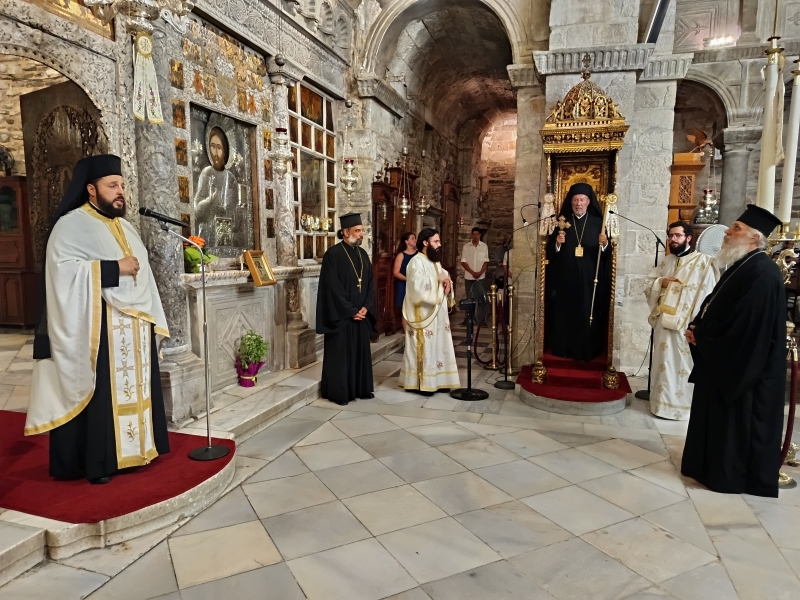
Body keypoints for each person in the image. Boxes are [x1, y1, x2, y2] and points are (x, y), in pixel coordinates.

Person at [26, 154, 171, 484]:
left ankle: (138, 450)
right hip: (99, 328)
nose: (120, 191)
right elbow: (62, 274)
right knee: (104, 395)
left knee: (135, 389)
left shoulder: (126, 226)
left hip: (134, 326)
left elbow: (143, 275)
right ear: (91, 189)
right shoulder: (71, 225)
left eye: (122, 185)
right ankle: (102, 461)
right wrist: (114, 268)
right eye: (112, 185)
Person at [681, 205, 786, 497]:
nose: (727, 231)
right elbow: (714, 304)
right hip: (721, 359)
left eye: (736, 228)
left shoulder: (762, 273)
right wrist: (697, 326)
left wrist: (703, 336)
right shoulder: (744, 264)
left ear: (754, 238)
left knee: (734, 428)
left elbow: (745, 329)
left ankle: (728, 477)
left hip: (743, 371)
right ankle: (705, 468)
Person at [644, 221, 718, 420]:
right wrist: (661, 282)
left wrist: (697, 324)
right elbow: (648, 284)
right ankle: (660, 405)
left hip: (686, 325)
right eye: (670, 236)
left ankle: (682, 408)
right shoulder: (666, 261)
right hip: (664, 323)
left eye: (677, 235)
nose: (673, 239)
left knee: (683, 365)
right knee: (663, 363)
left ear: (688, 238)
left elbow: (709, 295)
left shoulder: (703, 263)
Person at [545, 183, 611, 360]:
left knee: (587, 313)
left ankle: (587, 350)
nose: (578, 203)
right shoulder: (562, 222)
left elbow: (608, 255)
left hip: (590, 279)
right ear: (571, 202)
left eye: (582, 200)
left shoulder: (599, 223)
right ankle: (564, 348)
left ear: (588, 202)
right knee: (566, 314)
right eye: (575, 200)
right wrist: (557, 244)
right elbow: (550, 251)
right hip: (566, 279)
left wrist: (605, 243)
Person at [316, 213, 376, 406]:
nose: (361, 234)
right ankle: (340, 392)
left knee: (359, 355)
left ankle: (361, 389)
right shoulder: (332, 255)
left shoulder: (363, 254)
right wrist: (351, 311)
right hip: (342, 318)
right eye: (358, 231)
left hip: (361, 316)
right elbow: (332, 288)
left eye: (362, 230)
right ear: (345, 232)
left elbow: (370, 283)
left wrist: (366, 306)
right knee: (341, 357)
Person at [399, 228, 460, 395]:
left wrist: (446, 280)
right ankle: (422, 383)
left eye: (439, 241)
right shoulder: (416, 262)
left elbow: (442, 275)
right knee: (425, 346)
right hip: (422, 313)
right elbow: (416, 287)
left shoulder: (434, 261)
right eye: (436, 241)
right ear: (425, 243)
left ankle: (439, 380)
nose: (439, 245)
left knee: (439, 344)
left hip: (438, 313)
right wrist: (437, 279)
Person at [193, 125, 244, 253]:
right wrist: (210, 199)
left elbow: (234, 212)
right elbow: (197, 212)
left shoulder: (230, 178)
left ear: (225, 151)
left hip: (226, 236)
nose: (215, 152)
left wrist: (233, 213)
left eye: (219, 148)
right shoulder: (207, 173)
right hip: (207, 235)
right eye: (213, 146)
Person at [392, 232, 417, 332]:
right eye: (412, 238)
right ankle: (407, 332)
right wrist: (409, 280)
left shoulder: (419, 254)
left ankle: (415, 330)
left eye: (415, 238)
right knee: (406, 309)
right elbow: (396, 272)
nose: (415, 240)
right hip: (404, 284)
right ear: (406, 241)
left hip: (416, 285)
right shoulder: (401, 255)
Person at [460, 227, 488, 309]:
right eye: (474, 234)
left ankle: (480, 316)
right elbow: (463, 262)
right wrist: (473, 273)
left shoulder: (484, 246)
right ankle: (469, 316)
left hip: (481, 277)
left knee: (480, 298)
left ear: (480, 235)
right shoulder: (466, 247)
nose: (475, 236)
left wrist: (480, 273)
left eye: (477, 234)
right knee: (469, 298)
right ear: (471, 235)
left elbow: (486, 261)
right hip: (469, 277)